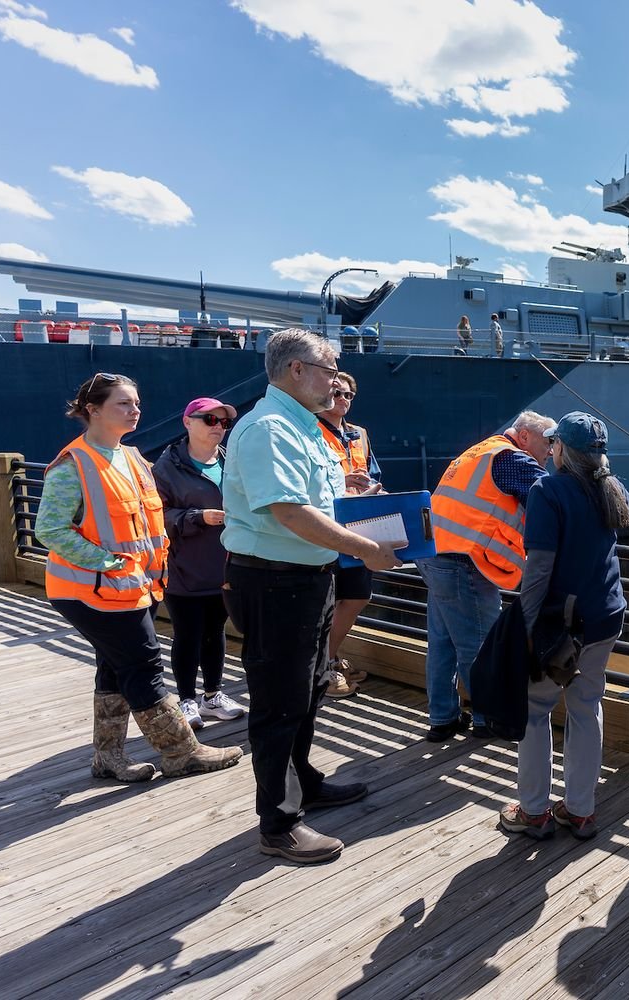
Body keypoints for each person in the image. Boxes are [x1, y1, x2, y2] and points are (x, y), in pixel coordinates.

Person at [222, 329, 399, 865]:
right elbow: (290, 513)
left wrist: (351, 497)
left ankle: (305, 781)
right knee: (279, 701)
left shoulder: (303, 427)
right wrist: (367, 548)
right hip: (274, 580)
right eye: (329, 369)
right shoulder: (271, 428)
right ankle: (278, 823)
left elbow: (313, 499)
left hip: (306, 578)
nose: (336, 380)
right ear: (297, 369)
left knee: (309, 688)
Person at [36, 373, 242, 782]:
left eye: (136, 403)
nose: (135, 411)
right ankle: (181, 752)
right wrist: (111, 564)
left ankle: (108, 759)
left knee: (114, 667)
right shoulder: (73, 465)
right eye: (123, 404)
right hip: (92, 590)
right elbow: (50, 530)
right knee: (144, 664)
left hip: (130, 589)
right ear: (92, 410)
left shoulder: (132, 458)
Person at [498, 412, 629, 840]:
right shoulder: (611, 486)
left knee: (536, 711)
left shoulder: (547, 490)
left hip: (561, 624)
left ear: (561, 451)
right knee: (586, 706)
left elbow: (538, 570)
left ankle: (534, 812)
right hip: (607, 616)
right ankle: (581, 810)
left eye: (553, 445)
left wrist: (525, 626)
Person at [420, 411, 554, 742]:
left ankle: (443, 718)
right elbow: (552, 497)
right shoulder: (512, 459)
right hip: (464, 565)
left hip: (435, 554)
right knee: (480, 647)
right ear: (524, 437)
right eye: (547, 442)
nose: (551, 450)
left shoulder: (480, 452)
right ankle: (486, 720)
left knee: (442, 643)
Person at [154, 397, 247, 729]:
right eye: (210, 420)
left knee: (215, 632)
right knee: (187, 635)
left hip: (224, 566)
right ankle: (185, 699)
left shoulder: (230, 462)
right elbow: (156, 516)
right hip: (184, 568)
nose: (219, 428)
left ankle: (212, 696)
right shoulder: (165, 468)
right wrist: (197, 517)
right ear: (188, 422)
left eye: (224, 423)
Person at [318, 371, 382, 698]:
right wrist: (343, 483)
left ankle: (328, 659)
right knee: (328, 601)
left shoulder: (360, 434)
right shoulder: (311, 431)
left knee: (357, 595)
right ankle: (324, 666)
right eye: (337, 394)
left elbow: (374, 472)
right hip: (325, 527)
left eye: (348, 395)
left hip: (358, 525)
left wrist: (373, 489)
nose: (342, 400)